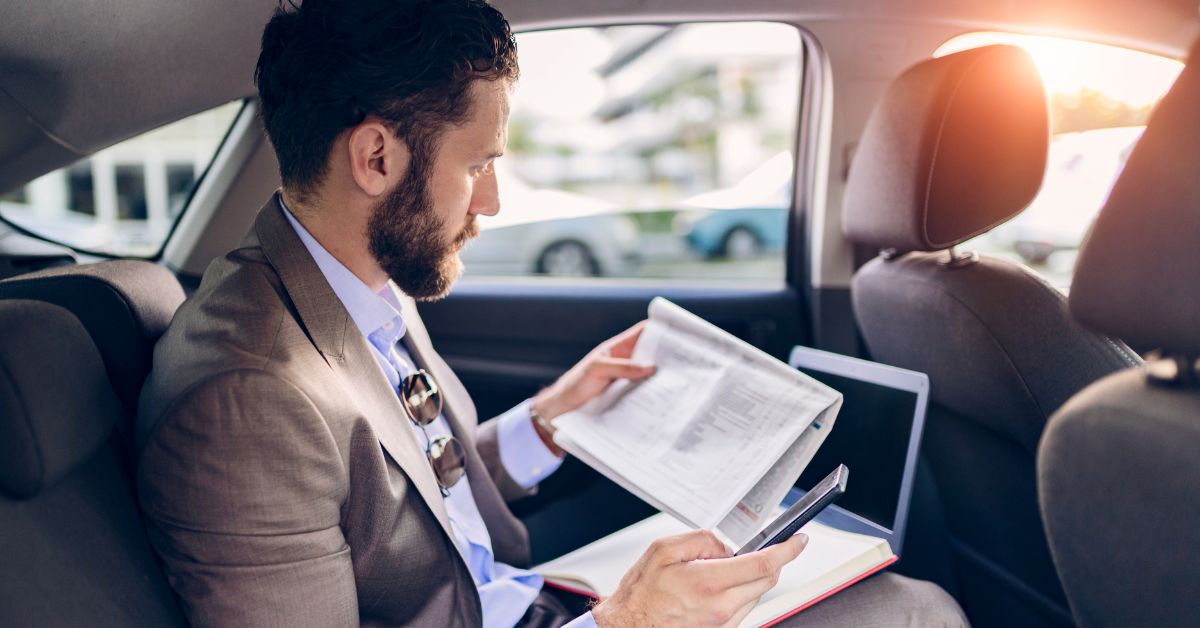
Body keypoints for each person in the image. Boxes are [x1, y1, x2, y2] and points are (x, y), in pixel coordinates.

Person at [136, 0, 967, 626]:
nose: (491, 202)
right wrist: (627, 621)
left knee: (892, 597)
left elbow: (407, 504)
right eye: (480, 164)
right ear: (377, 156)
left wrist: (548, 420)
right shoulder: (245, 401)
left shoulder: (356, 279)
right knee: (916, 613)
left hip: (526, 600)